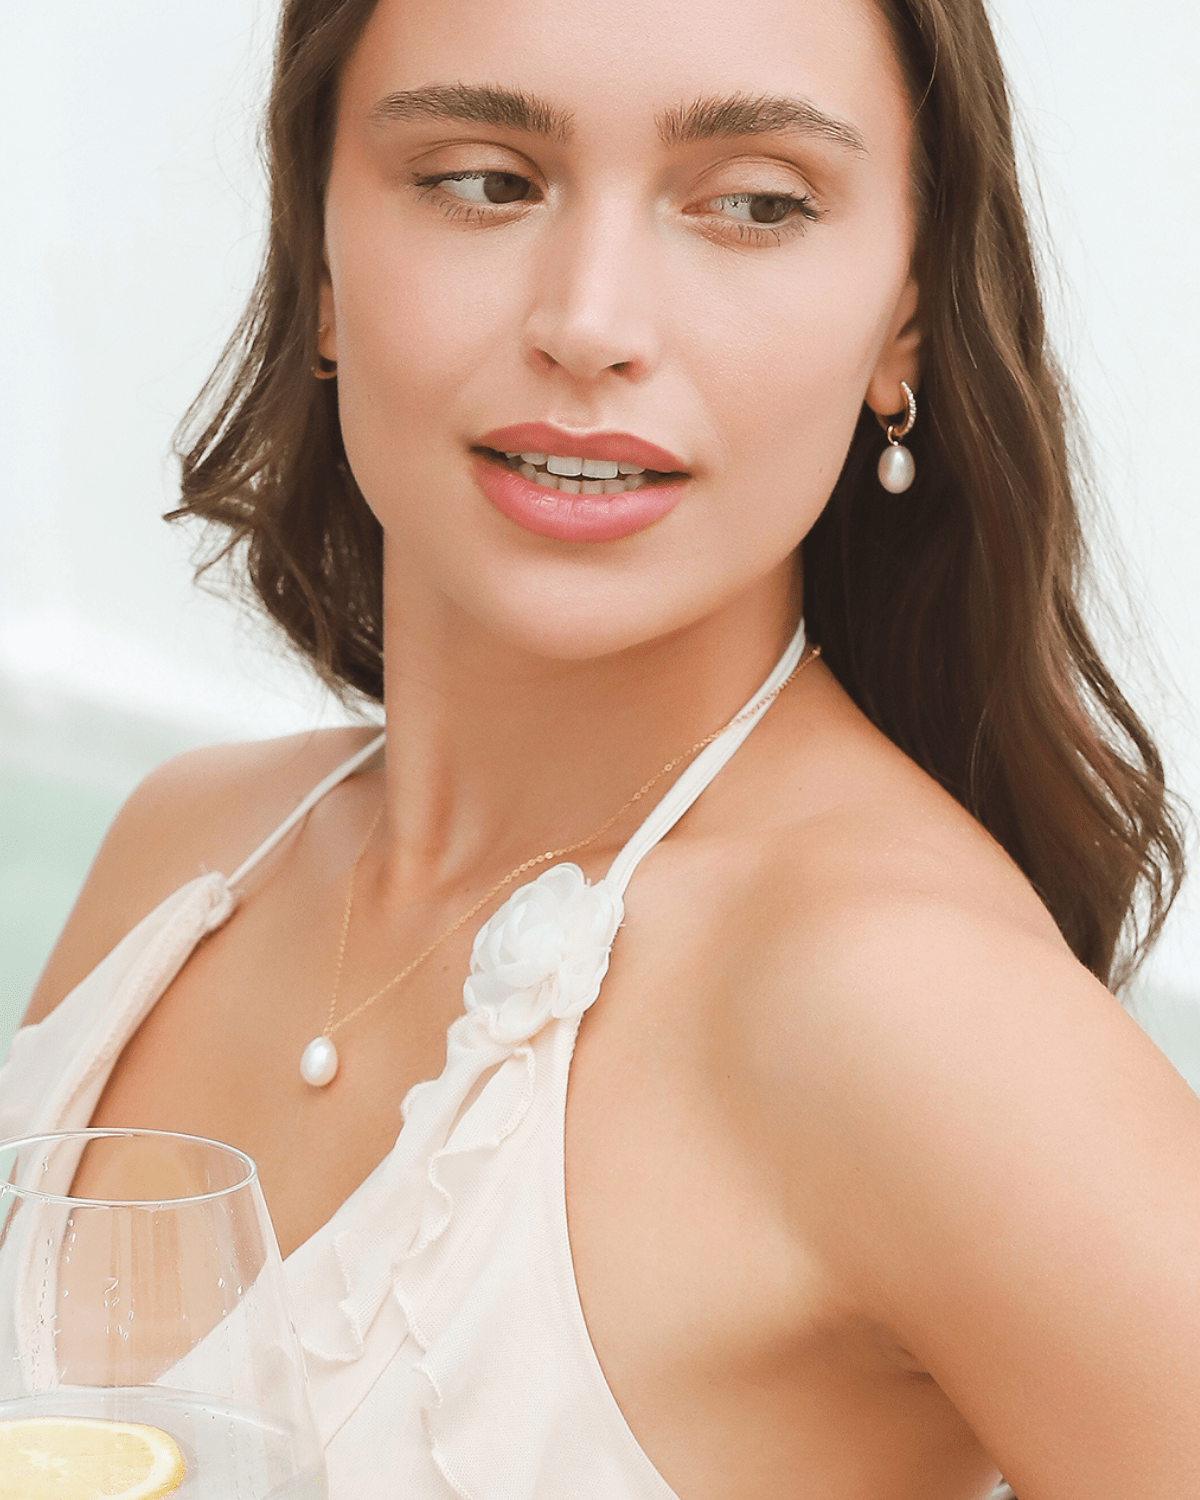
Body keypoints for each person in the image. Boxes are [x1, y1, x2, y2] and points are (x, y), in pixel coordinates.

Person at [4, 0, 1198, 1493]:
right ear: (318, 258)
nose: (589, 322)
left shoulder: (908, 1008)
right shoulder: (189, 854)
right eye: (483, 182)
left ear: (906, 315)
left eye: (756, 204)